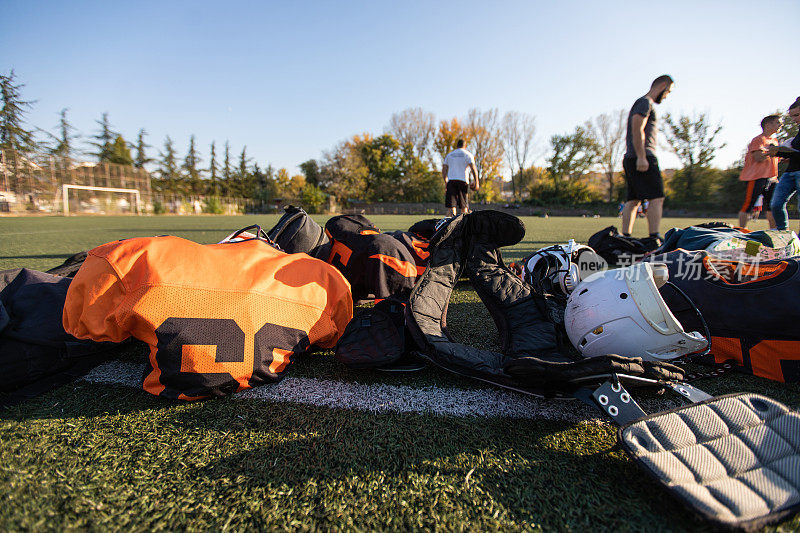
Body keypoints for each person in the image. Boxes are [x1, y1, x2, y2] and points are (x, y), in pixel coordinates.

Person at [621, 75, 674, 239]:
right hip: (642, 156)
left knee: (633, 199)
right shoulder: (645, 102)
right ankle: (654, 237)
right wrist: (642, 156)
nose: (666, 96)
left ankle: (626, 237)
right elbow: (638, 128)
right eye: (668, 92)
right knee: (657, 197)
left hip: (632, 156)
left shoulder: (642, 102)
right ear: (663, 85)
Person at [738, 115, 781, 229]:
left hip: (772, 178)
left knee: (772, 206)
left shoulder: (775, 140)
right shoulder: (759, 139)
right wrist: (770, 152)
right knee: (749, 204)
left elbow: (776, 158)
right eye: (777, 122)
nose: (780, 125)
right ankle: (741, 231)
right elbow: (758, 157)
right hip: (757, 177)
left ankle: (773, 231)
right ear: (768, 125)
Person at [769, 97, 800, 231]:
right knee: (776, 204)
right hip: (789, 173)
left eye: (797, 115)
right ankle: (783, 232)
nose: (794, 119)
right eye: (792, 116)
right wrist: (778, 152)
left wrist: (787, 153)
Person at [441, 139, 479, 216]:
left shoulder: (450, 155)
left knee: (451, 207)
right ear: (465, 146)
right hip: (463, 181)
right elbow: (473, 168)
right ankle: (463, 226)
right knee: (464, 207)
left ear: (457, 146)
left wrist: (446, 182)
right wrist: (476, 182)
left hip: (451, 181)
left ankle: (450, 226)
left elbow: (444, 169)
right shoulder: (468, 154)